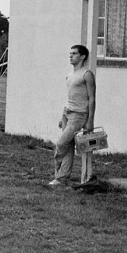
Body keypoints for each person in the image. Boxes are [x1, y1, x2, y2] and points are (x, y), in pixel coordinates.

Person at [49, 44, 96, 186]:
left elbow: (92, 98)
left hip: (79, 115)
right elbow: (71, 97)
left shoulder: (87, 74)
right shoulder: (70, 75)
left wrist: (90, 121)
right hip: (67, 113)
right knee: (68, 147)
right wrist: (62, 117)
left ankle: (59, 174)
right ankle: (62, 178)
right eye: (70, 53)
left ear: (82, 56)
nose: (71, 56)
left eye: (74, 53)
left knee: (61, 144)